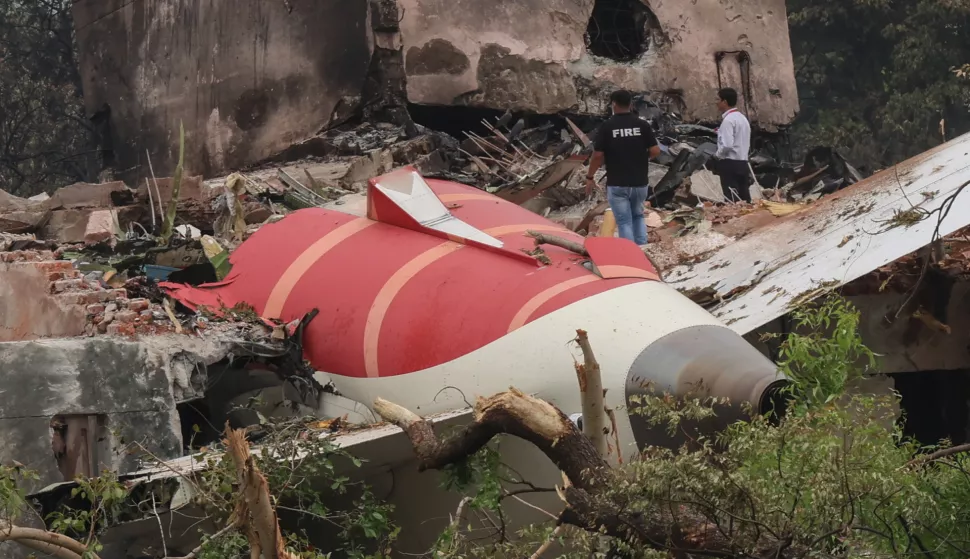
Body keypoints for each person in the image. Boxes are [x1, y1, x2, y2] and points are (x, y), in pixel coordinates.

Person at [585, 90, 661, 246]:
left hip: (617, 182)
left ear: (613, 104)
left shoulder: (607, 126)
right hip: (640, 182)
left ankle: (630, 254)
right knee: (638, 216)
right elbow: (655, 151)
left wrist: (590, 176)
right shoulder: (642, 125)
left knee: (624, 221)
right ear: (631, 104)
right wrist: (640, 159)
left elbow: (597, 155)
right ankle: (643, 250)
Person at [713, 87, 752, 203]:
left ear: (724, 102)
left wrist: (717, 155)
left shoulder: (728, 120)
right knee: (744, 199)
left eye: (718, 99)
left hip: (730, 164)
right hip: (743, 162)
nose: (716, 103)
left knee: (732, 200)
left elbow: (727, 145)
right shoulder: (743, 119)